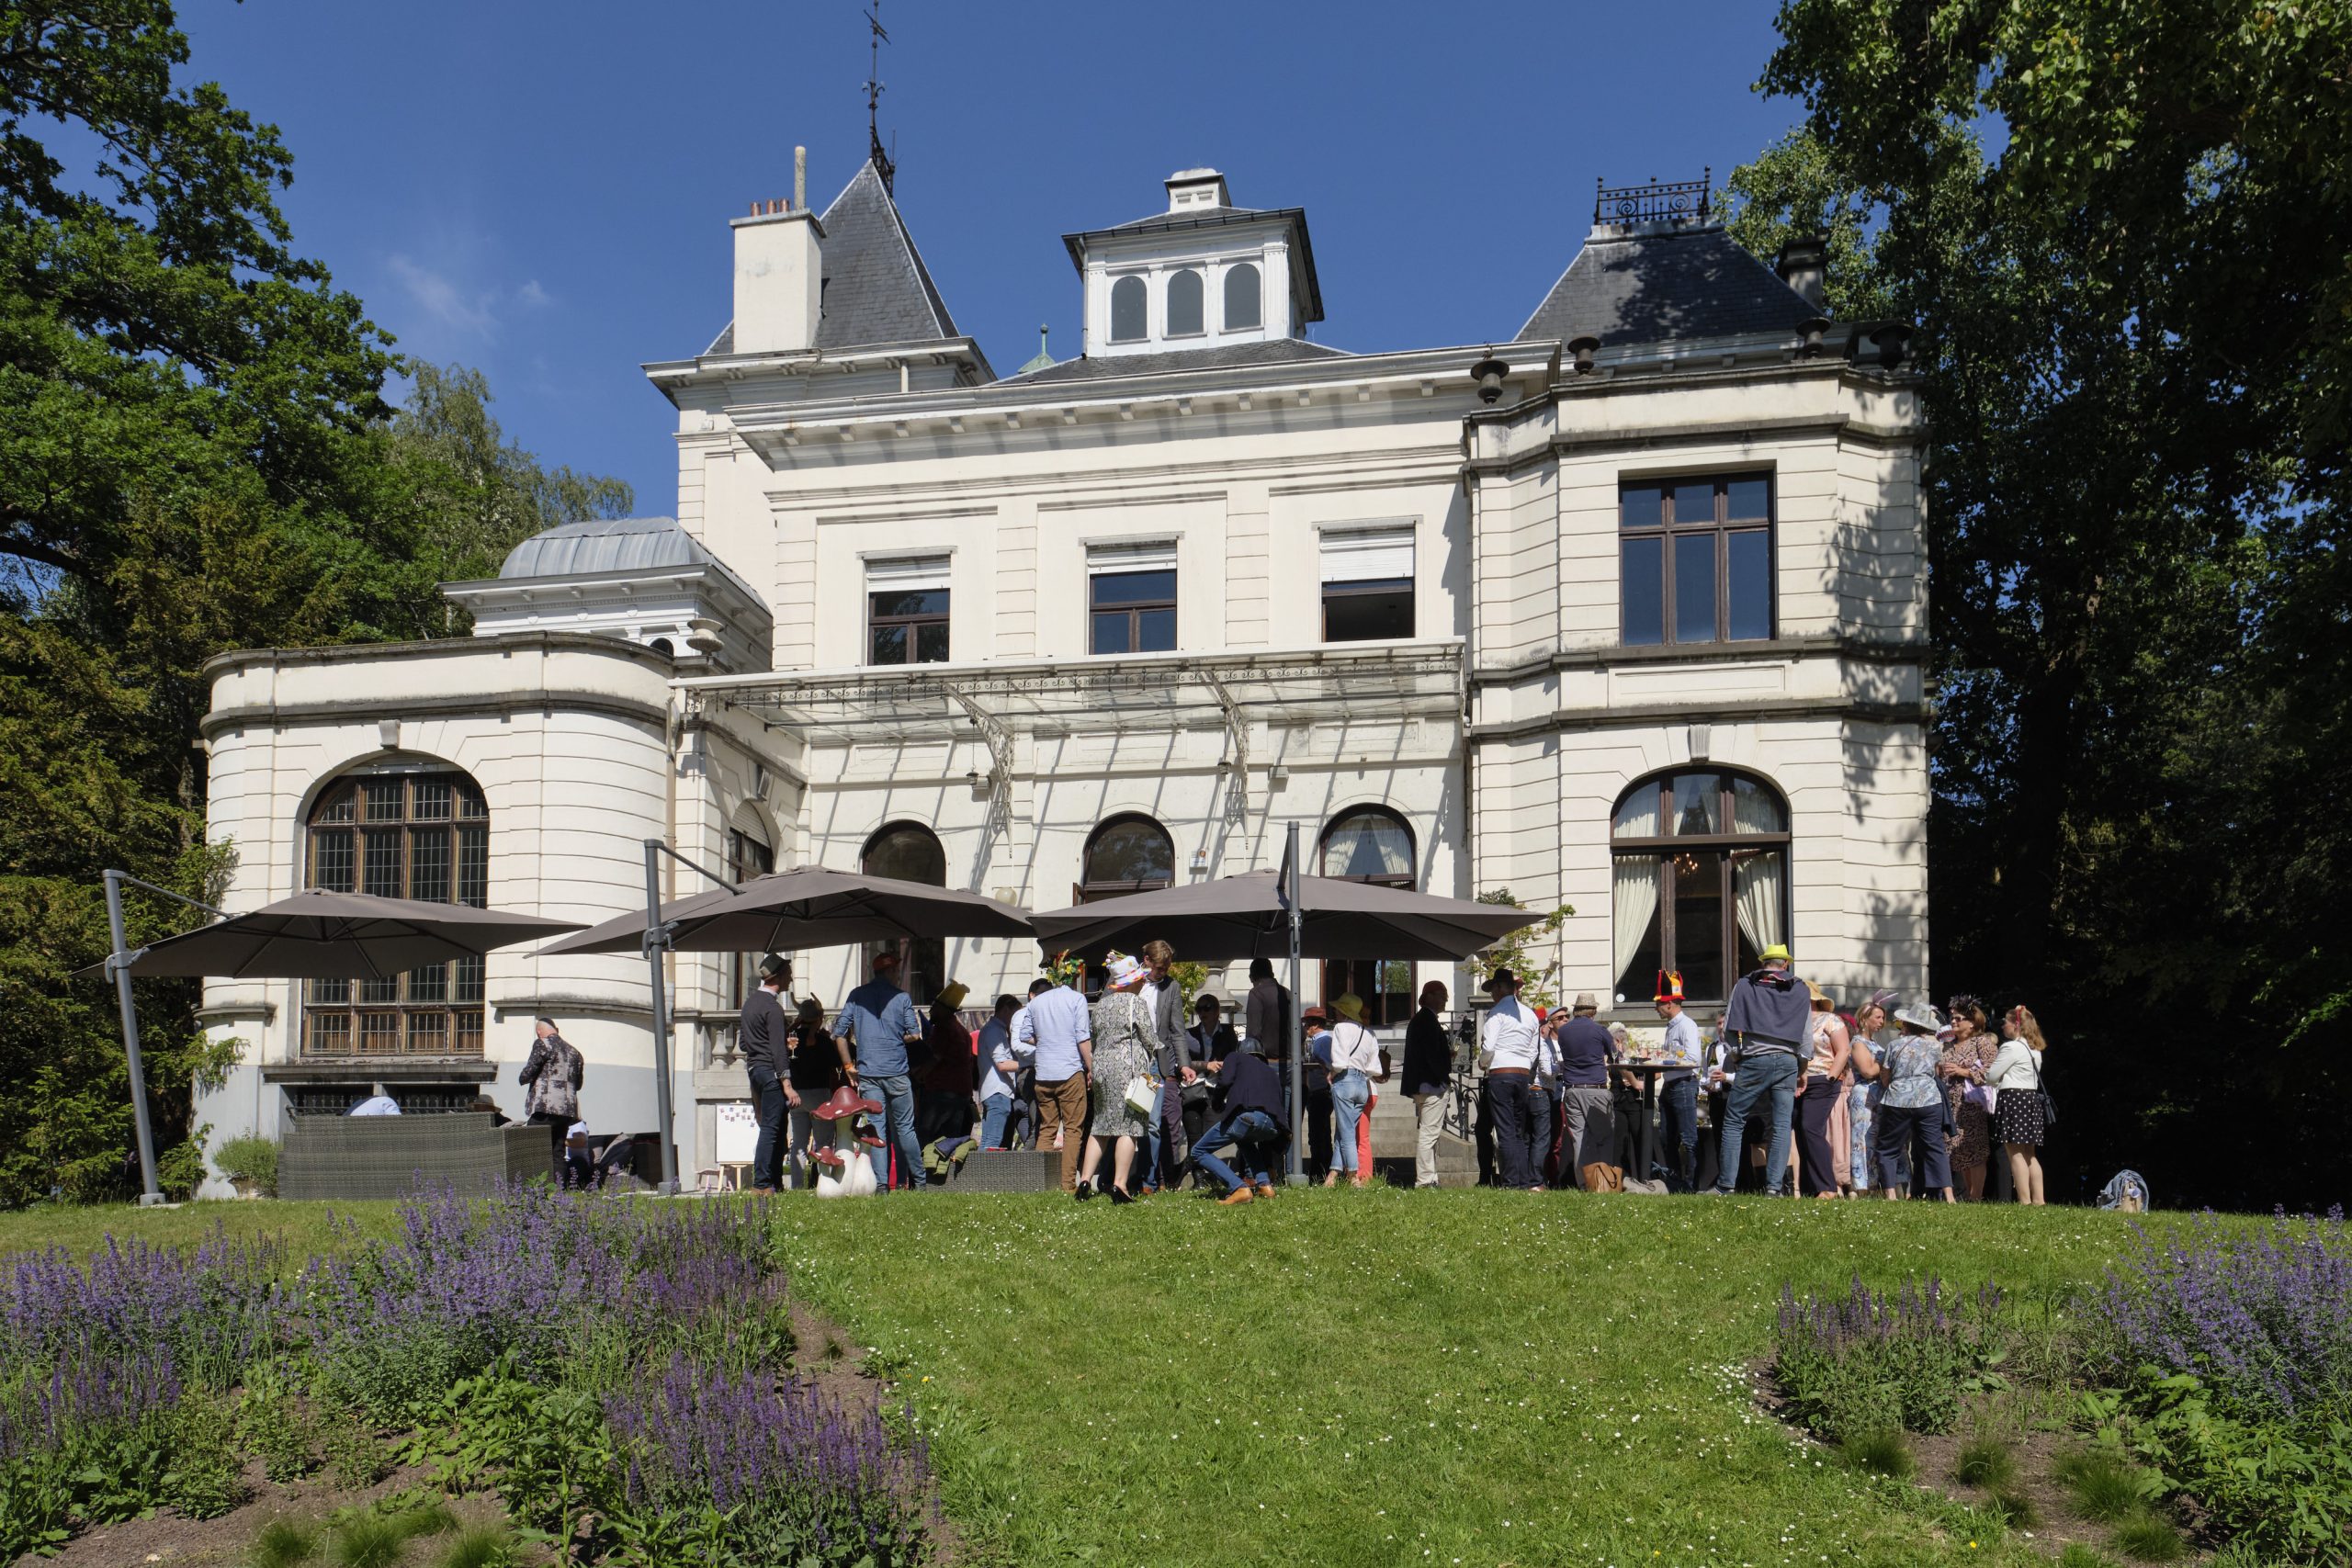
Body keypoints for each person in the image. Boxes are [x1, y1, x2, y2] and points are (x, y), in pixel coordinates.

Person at [1712, 943, 1810, 1197]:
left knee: (1734, 1120)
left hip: (1754, 1058)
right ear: (1785, 964)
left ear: (1763, 962)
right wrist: (1802, 1068)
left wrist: (1737, 1055)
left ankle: (1726, 1186)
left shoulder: (1745, 985)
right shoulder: (1800, 988)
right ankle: (1775, 1188)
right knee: (1782, 1125)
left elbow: (1730, 1027)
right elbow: (1806, 1035)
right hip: (1787, 1060)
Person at [836, 950, 927, 1193]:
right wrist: (896, 1038)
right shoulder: (902, 997)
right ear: (890, 971)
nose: (898, 975)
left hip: (869, 1074)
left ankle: (881, 1186)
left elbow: (839, 1034)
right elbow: (915, 1034)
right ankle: (920, 1183)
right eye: (896, 970)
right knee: (905, 1129)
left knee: (877, 1129)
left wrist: (848, 1067)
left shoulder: (856, 995)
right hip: (897, 1073)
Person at [1851, 1000, 1953, 1201]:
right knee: (1936, 1148)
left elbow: (1885, 1076)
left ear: (1906, 1024)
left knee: (1888, 1147)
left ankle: (1890, 1194)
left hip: (1898, 1101)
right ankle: (1950, 1196)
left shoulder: (1894, 1045)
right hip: (1929, 1101)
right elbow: (1939, 1072)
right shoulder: (1934, 1046)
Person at [1078, 953, 1157, 1202]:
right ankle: (1120, 1185)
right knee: (1129, 1126)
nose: (1143, 982)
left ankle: (1084, 1181)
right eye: (1140, 979)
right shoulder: (1136, 1003)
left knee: (1100, 1125)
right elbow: (1149, 1038)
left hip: (1101, 1068)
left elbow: (1095, 1038)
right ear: (1130, 982)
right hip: (1128, 1068)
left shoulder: (1100, 1006)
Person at [1189, 1031, 1290, 1205]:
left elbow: (1225, 1081)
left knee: (1198, 1151)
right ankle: (1264, 1185)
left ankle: (1238, 1188)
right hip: (1273, 1126)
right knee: (1244, 1141)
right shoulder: (1271, 1072)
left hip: (1247, 1117)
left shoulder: (1235, 1057)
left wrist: (1217, 1103)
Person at [1017, 970, 1093, 1192]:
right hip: (1069, 1071)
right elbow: (1082, 1037)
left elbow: (1024, 1035)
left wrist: (1046, 1040)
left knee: (1047, 1128)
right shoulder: (1077, 999)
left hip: (1043, 1073)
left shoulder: (1036, 1003)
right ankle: (1067, 1184)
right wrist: (1091, 1067)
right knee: (1073, 1130)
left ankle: (1042, 1184)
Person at [1479, 968, 1543, 1190]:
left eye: (1492, 990)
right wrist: (1523, 1064)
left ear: (1499, 988)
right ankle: (1522, 1181)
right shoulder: (1530, 1014)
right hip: (1522, 1074)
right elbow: (1534, 1050)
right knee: (1518, 1131)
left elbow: (1488, 1046)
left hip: (1501, 1072)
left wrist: (1483, 1062)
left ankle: (1511, 1182)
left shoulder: (1496, 1013)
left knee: (1506, 1130)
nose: (1492, 995)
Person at [1139, 941, 1194, 1193]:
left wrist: (1184, 1064)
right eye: (1159, 968)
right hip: (1128, 1060)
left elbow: (1177, 1031)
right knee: (1124, 1123)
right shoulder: (1128, 980)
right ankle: (1113, 1178)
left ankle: (1149, 1182)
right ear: (1147, 961)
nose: (1163, 973)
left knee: (1153, 1124)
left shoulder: (1172, 987)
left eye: (1166, 969)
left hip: (1155, 1063)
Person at [739, 953, 797, 1193]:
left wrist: (776, 1042)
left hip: (755, 1071)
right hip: (771, 1072)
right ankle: (762, 1184)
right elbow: (777, 1052)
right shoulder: (773, 1008)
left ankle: (774, 1182)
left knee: (776, 1126)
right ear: (779, 976)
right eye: (789, 974)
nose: (791, 979)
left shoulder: (750, 1004)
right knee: (772, 1128)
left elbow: (744, 1044)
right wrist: (787, 1085)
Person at [1989, 1003, 2050, 1205]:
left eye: (2005, 1023)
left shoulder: (2010, 1047)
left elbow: (1991, 1076)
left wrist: (1997, 1080)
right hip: (2031, 1099)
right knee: (2030, 1154)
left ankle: (2024, 1200)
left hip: (2013, 1098)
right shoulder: (2035, 1049)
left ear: (2015, 1025)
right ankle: (2039, 1200)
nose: (2003, 1026)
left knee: (2014, 1152)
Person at [1794, 983, 1851, 1198]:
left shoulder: (1830, 1020)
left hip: (1822, 1079)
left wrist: (1831, 1076)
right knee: (1800, 1131)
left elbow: (1843, 1050)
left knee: (1811, 1128)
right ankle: (1809, 1188)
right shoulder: (1793, 1020)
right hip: (1797, 1081)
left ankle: (1827, 1187)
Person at [1941, 996, 2000, 1201]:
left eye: (1959, 1018)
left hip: (1972, 1104)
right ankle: (1968, 1196)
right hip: (1950, 1104)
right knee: (1957, 1150)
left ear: (1972, 1023)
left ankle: (1976, 1196)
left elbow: (1993, 1071)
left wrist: (1964, 1072)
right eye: (1953, 1018)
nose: (1953, 1021)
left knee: (1975, 1150)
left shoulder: (1981, 1042)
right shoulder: (1948, 1045)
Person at [1555, 993, 1617, 1189]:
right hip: (1595, 1089)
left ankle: (1584, 1184)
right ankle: (1604, 1183)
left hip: (1572, 1090)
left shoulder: (1564, 1031)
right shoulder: (1600, 1030)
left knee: (1579, 1139)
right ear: (1594, 1011)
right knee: (1603, 1137)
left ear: (1576, 1009)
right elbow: (1615, 1054)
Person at [916, 980, 977, 1163]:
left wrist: (918, 1075)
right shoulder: (961, 1030)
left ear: (944, 1010)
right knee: (950, 1139)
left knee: (925, 1135)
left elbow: (935, 1059)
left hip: (942, 1093)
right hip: (960, 1094)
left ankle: (925, 1174)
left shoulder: (943, 1029)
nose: (931, 1011)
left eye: (935, 1007)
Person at [1652, 971, 1702, 1191]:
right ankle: (1674, 1183)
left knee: (1688, 1138)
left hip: (1683, 1084)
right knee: (1666, 1137)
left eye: (1659, 1005)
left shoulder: (1686, 1025)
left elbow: (1694, 1059)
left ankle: (1691, 1185)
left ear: (1670, 1004)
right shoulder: (1671, 1026)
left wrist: (1665, 1061)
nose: (1656, 1009)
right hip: (1671, 1084)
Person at [1325, 993, 1381, 1190]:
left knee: (1347, 1133)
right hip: (1362, 1085)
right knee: (1343, 1132)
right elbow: (1374, 1067)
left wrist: (1331, 1073)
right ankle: (1332, 1176)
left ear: (1343, 1011)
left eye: (1337, 1009)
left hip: (1345, 1082)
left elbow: (1339, 1061)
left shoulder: (1340, 1028)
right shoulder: (1369, 1033)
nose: (1335, 1012)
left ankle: (1353, 1177)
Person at [1402, 981, 1452, 1189]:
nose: (1445, 999)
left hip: (1423, 1085)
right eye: (1442, 995)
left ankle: (1431, 1177)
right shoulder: (1427, 1021)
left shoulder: (1421, 1020)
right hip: (1431, 1085)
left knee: (1428, 1133)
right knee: (1429, 1134)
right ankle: (1425, 1180)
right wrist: (1443, 1078)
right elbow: (1431, 1055)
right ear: (1429, 996)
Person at [786, 996, 838, 1187]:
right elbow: (836, 1062)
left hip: (797, 1094)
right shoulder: (823, 1041)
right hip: (819, 1095)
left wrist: (795, 1024)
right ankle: (825, 1183)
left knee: (799, 1144)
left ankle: (797, 1186)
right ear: (818, 1017)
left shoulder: (791, 1039)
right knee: (824, 1142)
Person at [1849, 990, 1896, 1194]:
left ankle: (1874, 1182)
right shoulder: (1858, 1042)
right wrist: (1886, 1063)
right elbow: (1867, 1071)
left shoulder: (1876, 1044)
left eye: (1883, 1018)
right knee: (1862, 1139)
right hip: (1864, 1095)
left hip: (1879, 1096)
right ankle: (1860, 1185)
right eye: (1877, 1017)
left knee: (1875, 1138)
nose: (1881, 1022)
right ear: (1864, 1019)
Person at [1185, 995, 1238, 1154]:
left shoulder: (1228, 1033)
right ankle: (1195, 1170)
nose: (1202, 1012)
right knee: (1194, 1138)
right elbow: (1184, 1063)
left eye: (1207, 1008)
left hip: (1216, 1091)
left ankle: (1200, 1167)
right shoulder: (1190, 1034)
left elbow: (1235, 1059)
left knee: (1210, 1138)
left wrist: (1224, 1065)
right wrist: (1206, 1065)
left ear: (1217, 1011)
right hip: (1193, 1090)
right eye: (1199, 1009)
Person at [978, 993, 1023, 1150]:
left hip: (996, 1093)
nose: (1016, 1021)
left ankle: (981, 1166)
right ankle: (984, 1168)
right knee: (993, 1142)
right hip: (998, 1093)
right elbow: (1002, 1064)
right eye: (1015, 1015)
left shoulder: (995, 1030)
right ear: (1006, 1010)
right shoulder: (994, 1031)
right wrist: (1029, 1064)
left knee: (989, 1141)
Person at [519, 1016, 583, 1126]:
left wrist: (522, 1078)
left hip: (545, 1107)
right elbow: (578, 1085)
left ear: (538, 1032)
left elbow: (529, 1072)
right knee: (558, 1138)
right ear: (556, 1030)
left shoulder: (542, 1043)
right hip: (567, 1112)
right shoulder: (575, 1052)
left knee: (534, 1137)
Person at [1528, 1010, 1560, 1187]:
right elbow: (1547, 1071)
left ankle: (1525, 1179)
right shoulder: (1542, 1044)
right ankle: (1536, 1181)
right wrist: (1560, 1068)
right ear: (1542, 1027)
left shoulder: (1526, 1043)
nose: (1549, 1029)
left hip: (1527, 1092)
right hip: (1540, 1092)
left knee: (1527, 1137)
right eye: (1548, 1025)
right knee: (1541, 1138)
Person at [561, 1121, 594, 1189]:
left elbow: (580, 1142)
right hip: (565, 1163)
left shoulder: (577, 1125)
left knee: (578, 1160)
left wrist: (560, 1141)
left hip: (577, 1164)